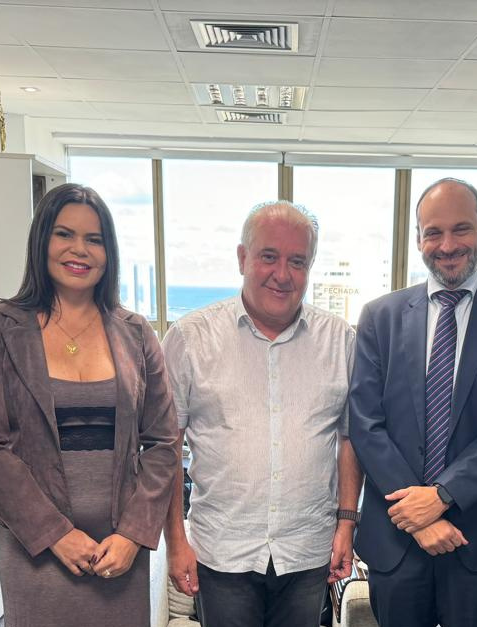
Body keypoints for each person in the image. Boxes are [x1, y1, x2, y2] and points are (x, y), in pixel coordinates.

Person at [0, 183, 180, 627]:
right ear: (41, 241)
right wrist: (56, 534)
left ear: (109, 252)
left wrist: (134, 534)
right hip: (37, 554)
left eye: (94, 239)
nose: (79, 249)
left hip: (119, 555)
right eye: (64, 234)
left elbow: (163, 443)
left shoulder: (137, 333)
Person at [349, 178, 477, 627]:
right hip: (397, 538)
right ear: (418, 238)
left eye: (461, 229)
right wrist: (418, 515)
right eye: (433, 233)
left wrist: (442, 495)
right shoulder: (380, 316)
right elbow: (365, 423)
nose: (447, 245)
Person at [161, 201, 363, 627]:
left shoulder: (340, 340)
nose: (282, 274)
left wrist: (346, 524)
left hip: (307, 551)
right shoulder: (190, 338)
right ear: (242, 258)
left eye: (297, 261)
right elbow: (167, 446)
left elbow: (349, 438)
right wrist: (175, 540)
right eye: (269, 256)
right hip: (223, 551)